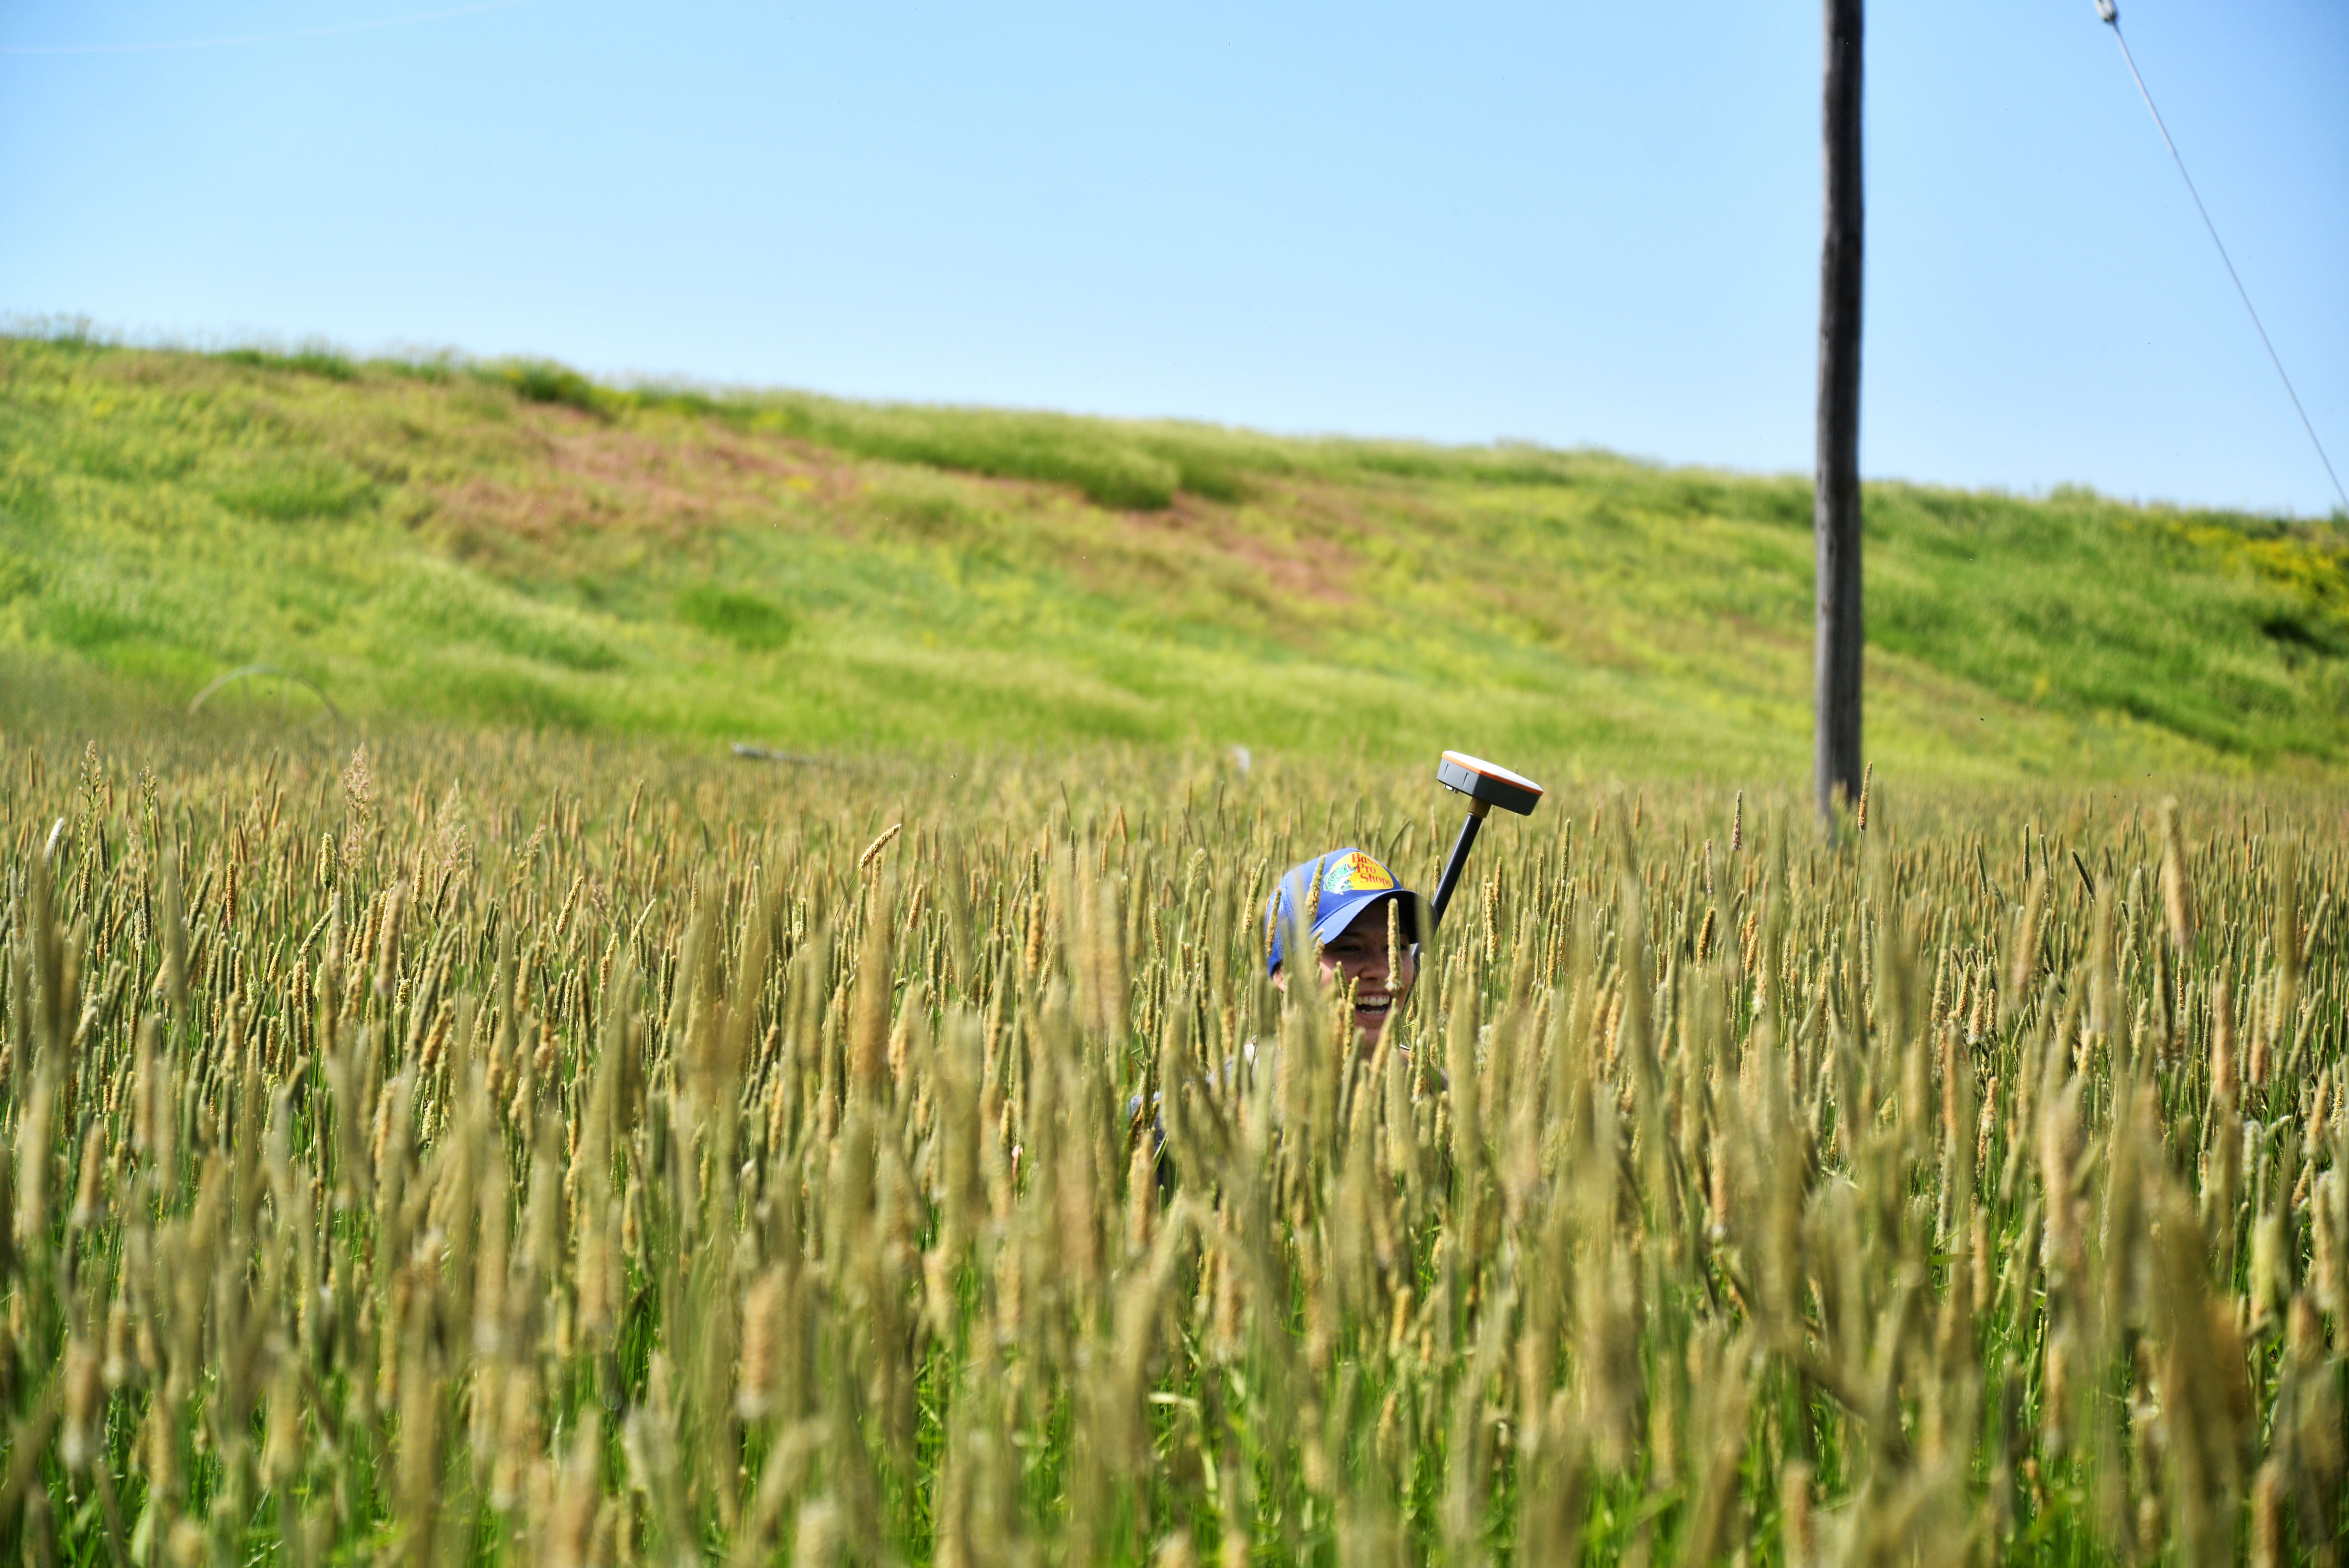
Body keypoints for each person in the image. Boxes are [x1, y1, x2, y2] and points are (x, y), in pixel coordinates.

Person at [1264, 847, 1421, 1054]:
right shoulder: (1241, 1084)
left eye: (1397, 947)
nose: (1383, 971)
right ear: (1284, 972)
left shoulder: (1436, 1083)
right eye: (1350, 948)